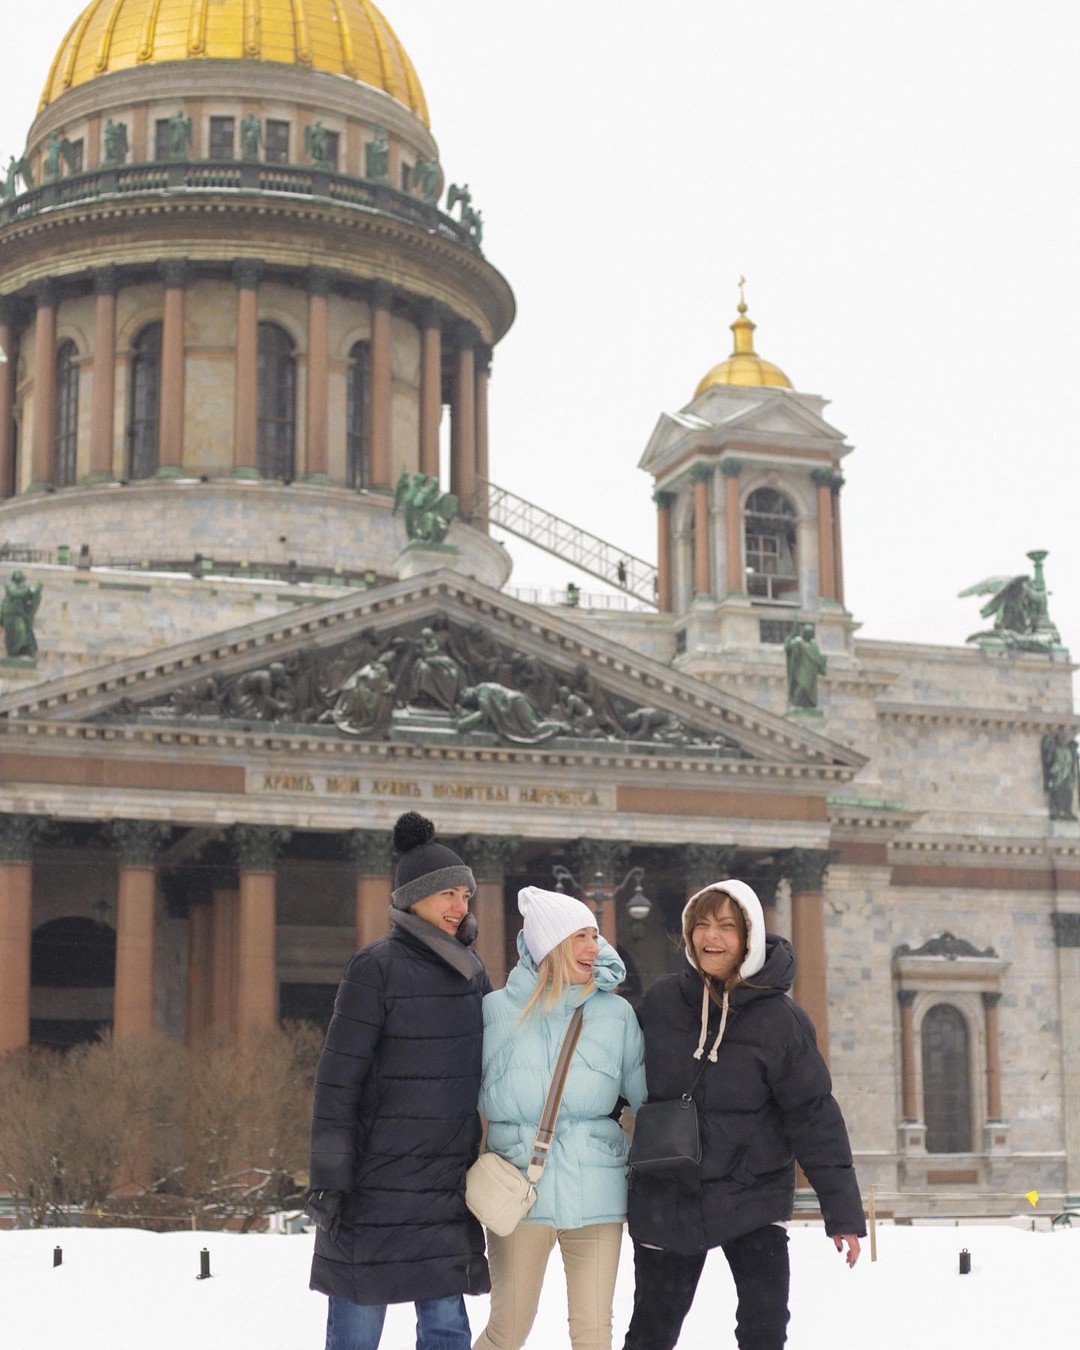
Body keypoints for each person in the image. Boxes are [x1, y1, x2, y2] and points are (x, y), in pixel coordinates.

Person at [623, 879, 864, 1350]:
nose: (711, 937)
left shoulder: (781, 1020)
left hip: (752, 1195)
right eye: (702, 925)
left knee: (763, 1331)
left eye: (726, 926)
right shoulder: (662, 1003)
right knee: (650, 1334)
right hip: (670, 1192)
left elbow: (814, 1116)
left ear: (748, 936)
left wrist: (843, 1211)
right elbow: (616, 1081)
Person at [306, 811, 491, 1349]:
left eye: (465, 895)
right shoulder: (375, 968)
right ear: (413, 897)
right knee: (358, 1334)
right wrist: (330, 1179)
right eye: (448, 895)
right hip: (374, 1190)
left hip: (442, 1187)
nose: (461, 907)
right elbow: (337, 1083)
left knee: (447, 1330)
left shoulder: (472, 973)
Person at [473, 886, 646, 1350]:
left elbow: (646, 1099)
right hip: (518, 1195)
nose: (595, 947)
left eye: (595, 936)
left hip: (597, 1193)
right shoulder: (494, 1012)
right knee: (508, 1330)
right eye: (581, 937)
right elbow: (462, 1100)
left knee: (593, 1332)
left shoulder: (617, 1014)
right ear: (548, 944)